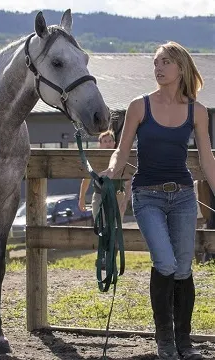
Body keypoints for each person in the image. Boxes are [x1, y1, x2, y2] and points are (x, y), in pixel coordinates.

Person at [98, 41, 215, 360]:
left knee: (182, 269)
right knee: (165, 262)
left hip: (183, 197)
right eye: (156, 63)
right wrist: (111, 171)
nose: (158, 68)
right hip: (147, 195)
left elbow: (206, 159)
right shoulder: (140, 105)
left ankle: (184, 342)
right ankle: (164, 341)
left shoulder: (197, 111)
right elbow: (121, 150)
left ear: (181, 67)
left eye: (165, 62)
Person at [78, 130, 131, 223]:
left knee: (115, 228)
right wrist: (81, 198)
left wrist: (125, 201)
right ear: (100, 144)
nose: (108, 144)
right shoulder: (95, 159)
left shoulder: (120, 158)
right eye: (105, 141)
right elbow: (86, 179)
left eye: (110, 141)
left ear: (114, 143)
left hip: (117, 195)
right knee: (100, 227)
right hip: (99, 195)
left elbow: (129, 182)